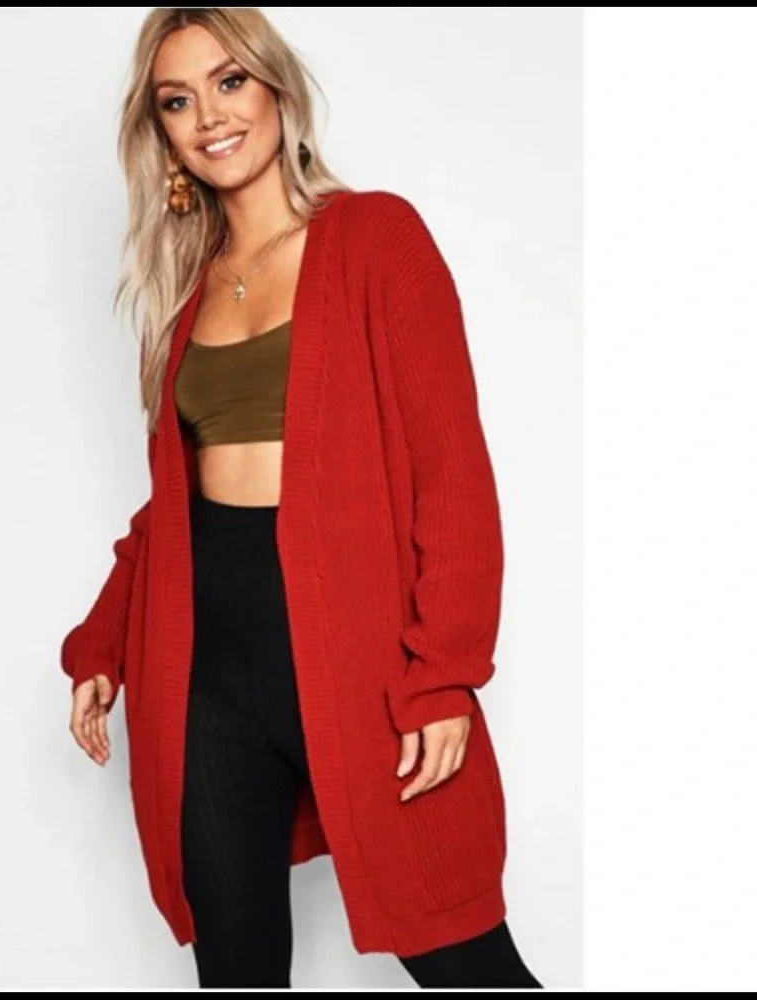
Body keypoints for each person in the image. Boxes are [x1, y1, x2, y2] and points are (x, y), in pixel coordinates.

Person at [61, 7, 543, 990]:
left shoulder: (375, 238)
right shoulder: (185, 291)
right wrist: (103, 643)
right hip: (206, 681)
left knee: (468, 964)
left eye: (230, 81)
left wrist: (443, 674)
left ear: (277, 87)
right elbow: (170, 511)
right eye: (177, 101)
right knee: (236, 973)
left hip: (357, 663)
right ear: (161, 135)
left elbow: (451, 474)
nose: (209, 116)